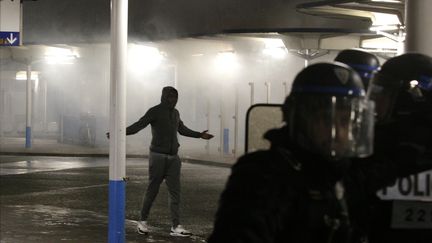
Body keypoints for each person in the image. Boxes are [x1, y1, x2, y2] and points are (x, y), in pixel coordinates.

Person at [208, 62, 377, 243]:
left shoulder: (342, 175)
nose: (337, 131)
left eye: (345, 121)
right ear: (299, 118)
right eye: (325, 118)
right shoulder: (264, 175)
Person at [110, 86, 214, 236]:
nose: (173, 100)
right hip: (157, 157)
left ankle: (176, 226)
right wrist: (117, 133)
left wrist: (199, 135)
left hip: (173, 159)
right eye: (170, 97)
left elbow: (182, 129)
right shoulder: (155, 111)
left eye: (175, 97)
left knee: (175, 193)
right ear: (164, 97)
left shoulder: (176, 113)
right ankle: (142, 221)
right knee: (152, 190)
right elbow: (138, 126)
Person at [359, 53, 432, 243]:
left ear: (407, 99)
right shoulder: (370, 141)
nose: (375, 101)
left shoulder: (373, 149)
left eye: (384, 93)